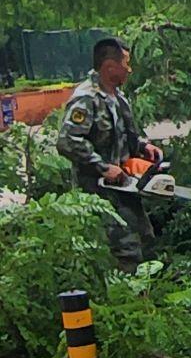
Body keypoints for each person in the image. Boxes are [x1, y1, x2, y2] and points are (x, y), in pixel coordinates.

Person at [57, 38, 162, 270]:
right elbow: (67, 141)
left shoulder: (118, 97)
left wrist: (143, 146)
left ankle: (149, 288)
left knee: (146, 239)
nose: (129, 69)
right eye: (126, 63)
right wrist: (102, 167)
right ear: (110, 67)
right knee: (126, 250)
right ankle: (126, 289)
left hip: (125, 186)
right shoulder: (87, 98)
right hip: (99, 191)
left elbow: (122, 135)